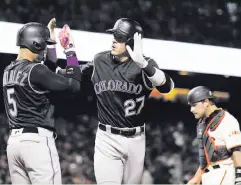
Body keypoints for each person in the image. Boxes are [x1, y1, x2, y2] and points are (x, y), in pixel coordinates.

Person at [58, 18, 174, 184]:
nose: (114, 41)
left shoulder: (144, 64)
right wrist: (68, 50)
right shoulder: (100, 60)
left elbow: (167, 87)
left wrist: (144, 64)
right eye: (114, 36)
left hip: (136, 139)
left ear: (131, 42)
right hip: (107, 138)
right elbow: (74, 73)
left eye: (119, 38)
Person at [3, 19, 82, 184]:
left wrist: (52, 44)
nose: (45, 49)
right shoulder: (36, 70)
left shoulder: (8, 70)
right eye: (44, 44)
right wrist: (70, 51)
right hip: (36, 142)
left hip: (14, 144)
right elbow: (73, 86)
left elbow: (47, 72)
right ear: (36, 43)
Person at [187, 86, 241, 185]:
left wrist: (239, 179)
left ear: (206, 102)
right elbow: (206, 158)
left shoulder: (227, 120)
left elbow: (237, 152)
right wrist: (197, 177)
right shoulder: (202, 124)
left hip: (226, 173)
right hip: (209, 175)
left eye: (194, 105)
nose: (191, 109)